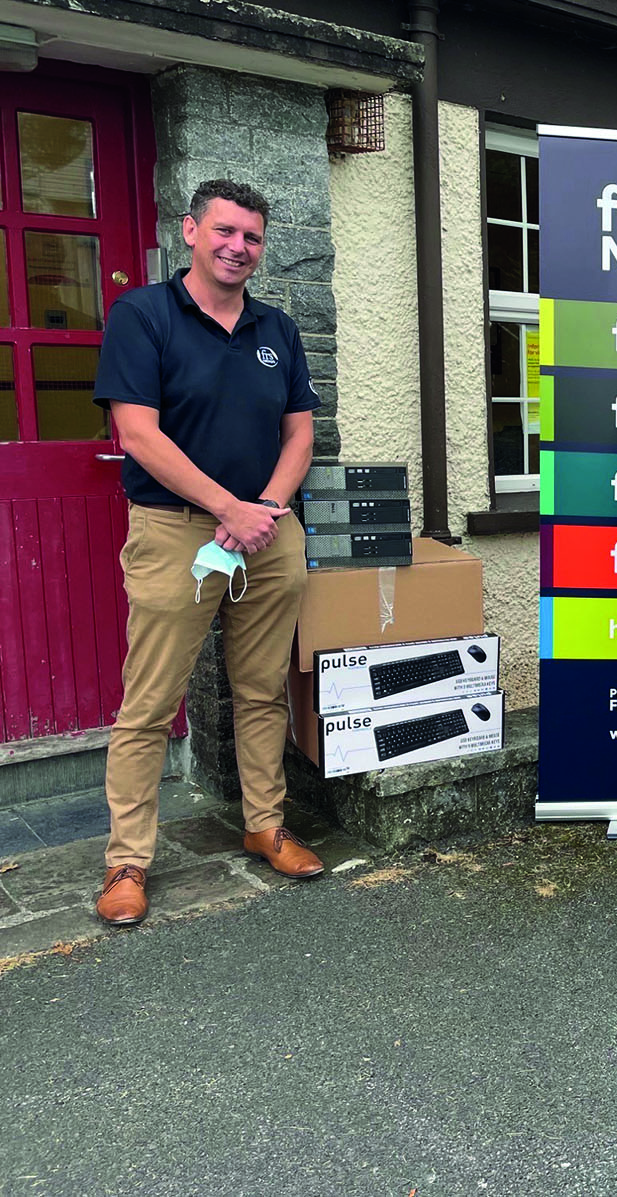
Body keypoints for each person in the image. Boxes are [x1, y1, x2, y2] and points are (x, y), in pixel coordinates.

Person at [91, 180, 322, 927]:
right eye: (224, 231)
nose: (238, 247)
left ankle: (265, 825)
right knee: (150, 704)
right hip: (176, 532)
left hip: (268, 533)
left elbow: (300, 434)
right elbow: (138, 433)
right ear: (191, 231)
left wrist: (264, 510)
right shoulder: (143, 315)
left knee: (262, 690)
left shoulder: (276, 327)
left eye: (252, 237)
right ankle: (128, 861)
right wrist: (228, 509)